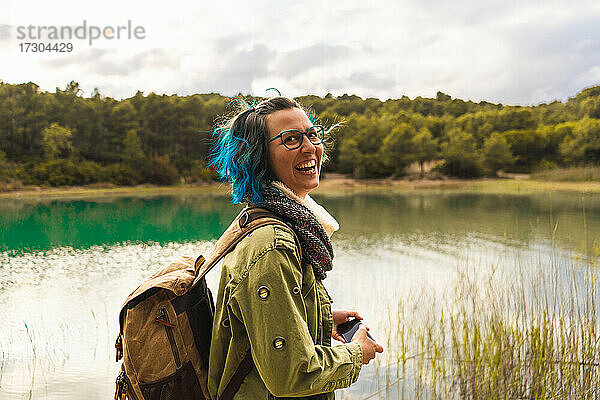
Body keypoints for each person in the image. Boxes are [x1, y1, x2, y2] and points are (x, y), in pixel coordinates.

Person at [207, 96, 383, 400]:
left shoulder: (278, 220)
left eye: (312, 135)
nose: (309, 147)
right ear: (260, 157)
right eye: (290, 139)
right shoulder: (273, 245)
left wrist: (323, 321)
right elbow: (290, 375)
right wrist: (357, 353)